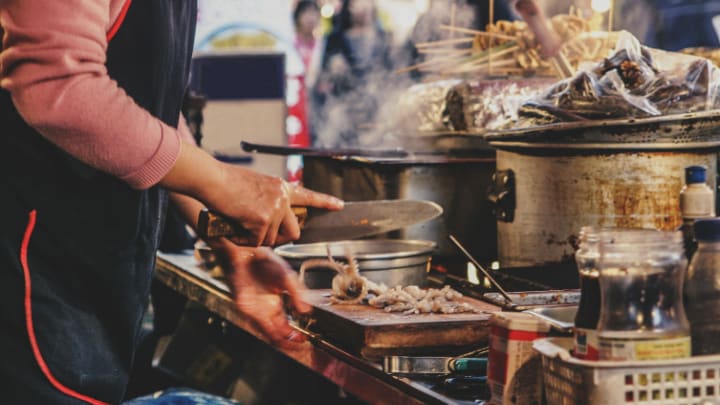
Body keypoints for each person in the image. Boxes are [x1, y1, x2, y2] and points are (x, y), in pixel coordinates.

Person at [0, 1, 343, 404]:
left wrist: (229, 239)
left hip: (90, 280)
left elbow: (143, 106)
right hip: (29, 273)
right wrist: (224, 184)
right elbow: (57, 84)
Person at [310, 0, 394, 147]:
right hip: (342, 114)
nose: (362, 6)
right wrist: (332, 71)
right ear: (348, 7)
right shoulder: (334, 39)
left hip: (376, 112)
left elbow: (393, 76)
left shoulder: (384, 38)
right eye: (356, 2)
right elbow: (321, 81)